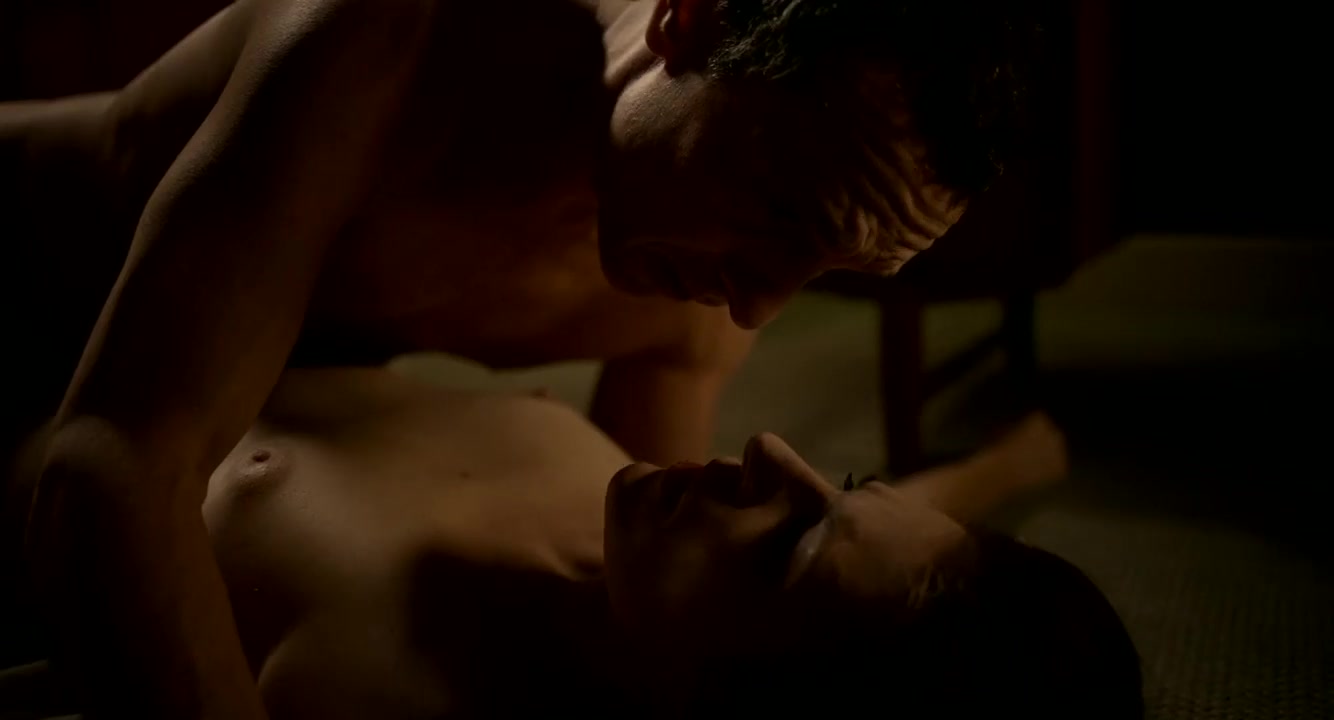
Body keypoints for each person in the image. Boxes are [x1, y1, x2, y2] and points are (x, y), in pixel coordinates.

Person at [1, 0, 1041, 715]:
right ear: (690, 21)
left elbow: (655, 614)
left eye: (824, 270)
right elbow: (110, 468)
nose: (757, 306)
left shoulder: (703, 281)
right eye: (779, 214)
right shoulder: (396, 41)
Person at [6, 367, 1142, 719]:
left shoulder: (390, 694)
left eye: (788, 544)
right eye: (841, 483)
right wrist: (996, 471)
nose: (770, 450)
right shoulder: (652, 539)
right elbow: (862, 572)